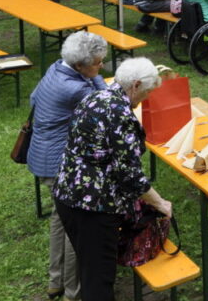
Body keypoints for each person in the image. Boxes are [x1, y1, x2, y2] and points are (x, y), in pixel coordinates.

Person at [52, 58, 170, 301]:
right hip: (92, 207)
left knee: (89, 267)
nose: (146, 98)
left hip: (66, 194)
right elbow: (130, 175)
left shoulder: (96, 96)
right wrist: (160, 203)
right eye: (147, 92)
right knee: (99, 278)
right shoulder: (120, 114)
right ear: (135, 85)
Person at [28, 31, 108, 301]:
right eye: (97, 63)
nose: (102, 67)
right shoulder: (77, 88)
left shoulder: (54, 69)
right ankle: (73, 292)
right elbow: (105, 105)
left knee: (59, 221)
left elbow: (33, 98)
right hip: (61, 164)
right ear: (79, 66)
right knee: (78, 230)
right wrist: (96, 80)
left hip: (41, 155)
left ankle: (55, 281)